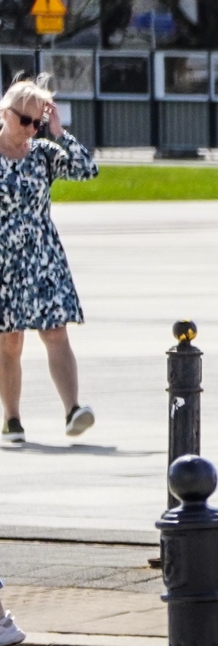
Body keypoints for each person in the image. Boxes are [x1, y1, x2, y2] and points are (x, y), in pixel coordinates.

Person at [0, 77, 98, 447]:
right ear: (5, 113)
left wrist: (59, 133)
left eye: (36, 122)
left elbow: (86, 169)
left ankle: (73, 409)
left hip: (43, 254)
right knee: (10, 340)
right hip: (4, 258)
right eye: (24, 120)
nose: (30, 129)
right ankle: (12, 418)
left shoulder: (43, 152)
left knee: (55, 331)